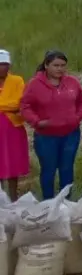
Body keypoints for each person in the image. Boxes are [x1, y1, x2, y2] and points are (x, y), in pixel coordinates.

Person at [20, 51, 82, 199]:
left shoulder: (72, 82)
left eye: (63, 65)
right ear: (46, 65)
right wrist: (37, 121)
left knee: (67, 169)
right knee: (48, 170)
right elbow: (25, 106)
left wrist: (78, 117)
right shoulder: (34, 85)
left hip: (71, 134)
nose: (60, 69)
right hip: (46, 137)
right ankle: (48, 203)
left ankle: (66, 203)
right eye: (56, 65)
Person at [0, 49, 28, 201]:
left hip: (13, 129)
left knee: (12, 165)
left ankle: (13, 198)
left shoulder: (17, 80)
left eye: (5, 64)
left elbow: (19, 103)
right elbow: (12, 105)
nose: (2, 68)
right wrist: (8, 106)